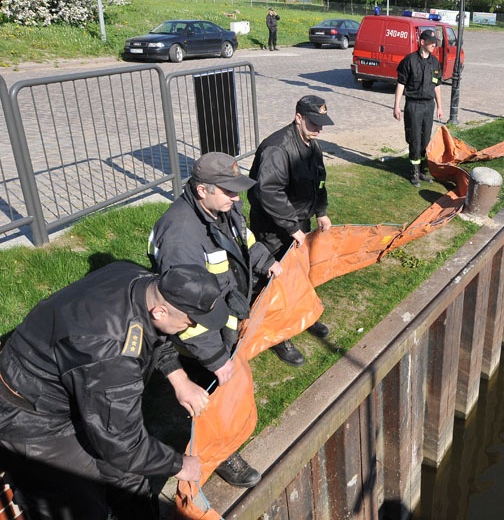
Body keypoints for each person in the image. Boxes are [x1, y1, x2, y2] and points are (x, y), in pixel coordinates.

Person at [0, 262, 220, 520]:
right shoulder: (112, 355)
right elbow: (122, 444)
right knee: (78, 506)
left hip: (80, 382)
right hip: (35, 416)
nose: (192, 327)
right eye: (190, 322)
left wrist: (179, 378)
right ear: (160, 310)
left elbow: (158, 334)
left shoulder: (138, 279)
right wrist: (179, 465)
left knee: (129, 479)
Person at [148, 152, 285, 488]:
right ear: (201, 191)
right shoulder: (180, 238)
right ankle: (221, 453)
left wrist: (266, 261)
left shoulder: (224, 206)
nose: (236, 197)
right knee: (209, 395)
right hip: (198, 339)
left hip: (225, 316)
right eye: (228, 191)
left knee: (227, 383)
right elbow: (185, 315)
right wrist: (214, 359)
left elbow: (245, 240)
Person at [247, 95, 333, 361]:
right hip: (273, 226)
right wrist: (292, 226)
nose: (319, 128)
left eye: (322, 123)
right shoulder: (277, 148)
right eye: (313, 122)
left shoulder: (312, 146)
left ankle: (302, 317)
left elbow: (319, 181)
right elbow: (268, 192)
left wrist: (321, 211)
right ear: (298, 118)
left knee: (300, 273)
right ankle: (279, 336)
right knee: (275, 280)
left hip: (299, 222)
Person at [393, 29, 443, 187]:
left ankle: (422, 170)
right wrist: (396, 106)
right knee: (414, 138)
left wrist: (440, 107)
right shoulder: (409, 61)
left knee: (425, 139)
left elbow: (437, 86)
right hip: (413, 105)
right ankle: (414, 172)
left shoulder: (435, 62)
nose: (434, 45)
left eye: (435, 43)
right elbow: (401, 84)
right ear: (422, 42)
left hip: (429, 105)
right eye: (431, 42)